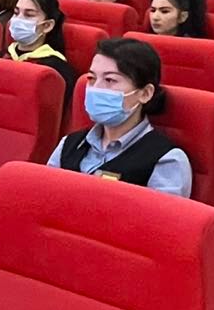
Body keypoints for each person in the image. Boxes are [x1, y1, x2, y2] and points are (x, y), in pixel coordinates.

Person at [47, 38, 191, 196]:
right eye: (92, 79)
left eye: (110, 80)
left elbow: (162, 212)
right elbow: (46, 197)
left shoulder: (166, 159)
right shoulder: (69, 144)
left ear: (145, 93)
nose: (96, 88)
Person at [0, 0, 78, 96]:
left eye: (29, 15)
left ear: (47, 25)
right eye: (16, 13)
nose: (18, 19)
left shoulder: (57, 71)